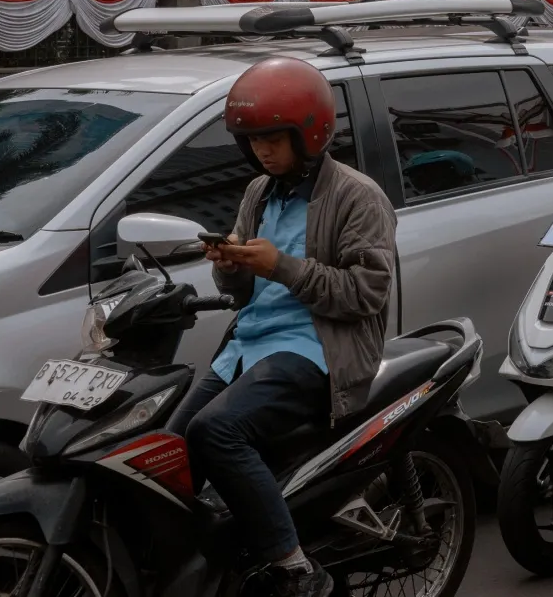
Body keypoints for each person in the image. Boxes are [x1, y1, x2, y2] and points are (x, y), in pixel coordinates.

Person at [166, 56, 397, 597]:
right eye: (252, 141)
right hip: (250, 344)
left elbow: (367, 294)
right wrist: (229, 269)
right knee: (167, 451)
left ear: (308, 132)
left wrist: (281, 267)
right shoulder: (258, 193)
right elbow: (243, 292)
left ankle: (297, 567)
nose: (261, 150)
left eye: (273, 139)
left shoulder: (358, 196)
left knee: (215, 430)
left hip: (317, 348)